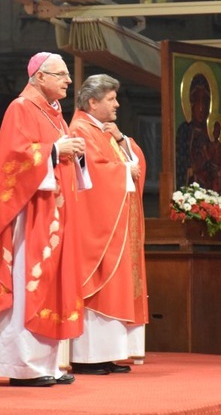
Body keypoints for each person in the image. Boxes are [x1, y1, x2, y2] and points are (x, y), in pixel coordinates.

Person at [0, 52, 89, 387]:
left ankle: (47, 363)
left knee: (54, 286)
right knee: (30, 283)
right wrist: (56, 151)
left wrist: (73, 151)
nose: (68, 81)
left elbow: (58, 151)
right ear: (39, 77)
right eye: (61, 75)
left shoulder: (55, 113)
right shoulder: (21, 108)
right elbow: (14, 158)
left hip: (55, 209)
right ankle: (22, 365)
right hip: (31, 210)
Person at [67, 74, 147, 375]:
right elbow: (92, 177)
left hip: (118, 224)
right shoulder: (80, 130)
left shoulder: (102, 130)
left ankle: (110, 353)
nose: (116, 104)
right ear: (92, 102)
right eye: (111, 99)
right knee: (100, 284)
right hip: (97, 224)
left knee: (118, 283)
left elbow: (136, 164)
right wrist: (124, 168)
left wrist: (122, 140)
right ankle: (90, 357)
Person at [175, 73, 221, 193]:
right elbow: (181, 166)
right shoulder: (185, 132)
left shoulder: (211, 134)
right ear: (191, 103)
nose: (201, 108)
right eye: (197, 101)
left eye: (205, 101)